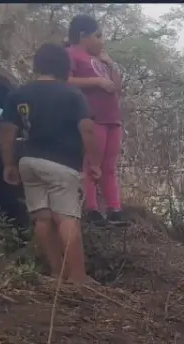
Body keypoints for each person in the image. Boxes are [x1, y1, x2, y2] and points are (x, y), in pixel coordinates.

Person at [0, 44, 99, 284]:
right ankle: (77, 277)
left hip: (28, 162)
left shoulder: (18, 94)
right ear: (64, 67)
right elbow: (87, 128)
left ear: (38, 66)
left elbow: (7, 131)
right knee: (66, 218)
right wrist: (94, 163)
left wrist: (8, 163)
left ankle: (57, 273)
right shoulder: (72, 94)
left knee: (42, 218)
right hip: (61, 164)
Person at [66, 14, 123, 226]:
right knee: (92, 163)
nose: (101, 40)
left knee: (109, 166)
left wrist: (111, 65)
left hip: (112, 118)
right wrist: (97, 81)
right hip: (92, 117)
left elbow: (117, 88)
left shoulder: (100, 57)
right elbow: (66, 80)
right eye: (97, 36)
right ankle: (92, 209)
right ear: (83, 36)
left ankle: (114, 208)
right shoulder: (71, 54)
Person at [0, 60, 27, 256]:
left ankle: (21, 255)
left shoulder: (2, 85)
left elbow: (15, 114)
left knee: (11, 204)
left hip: (0, 151)